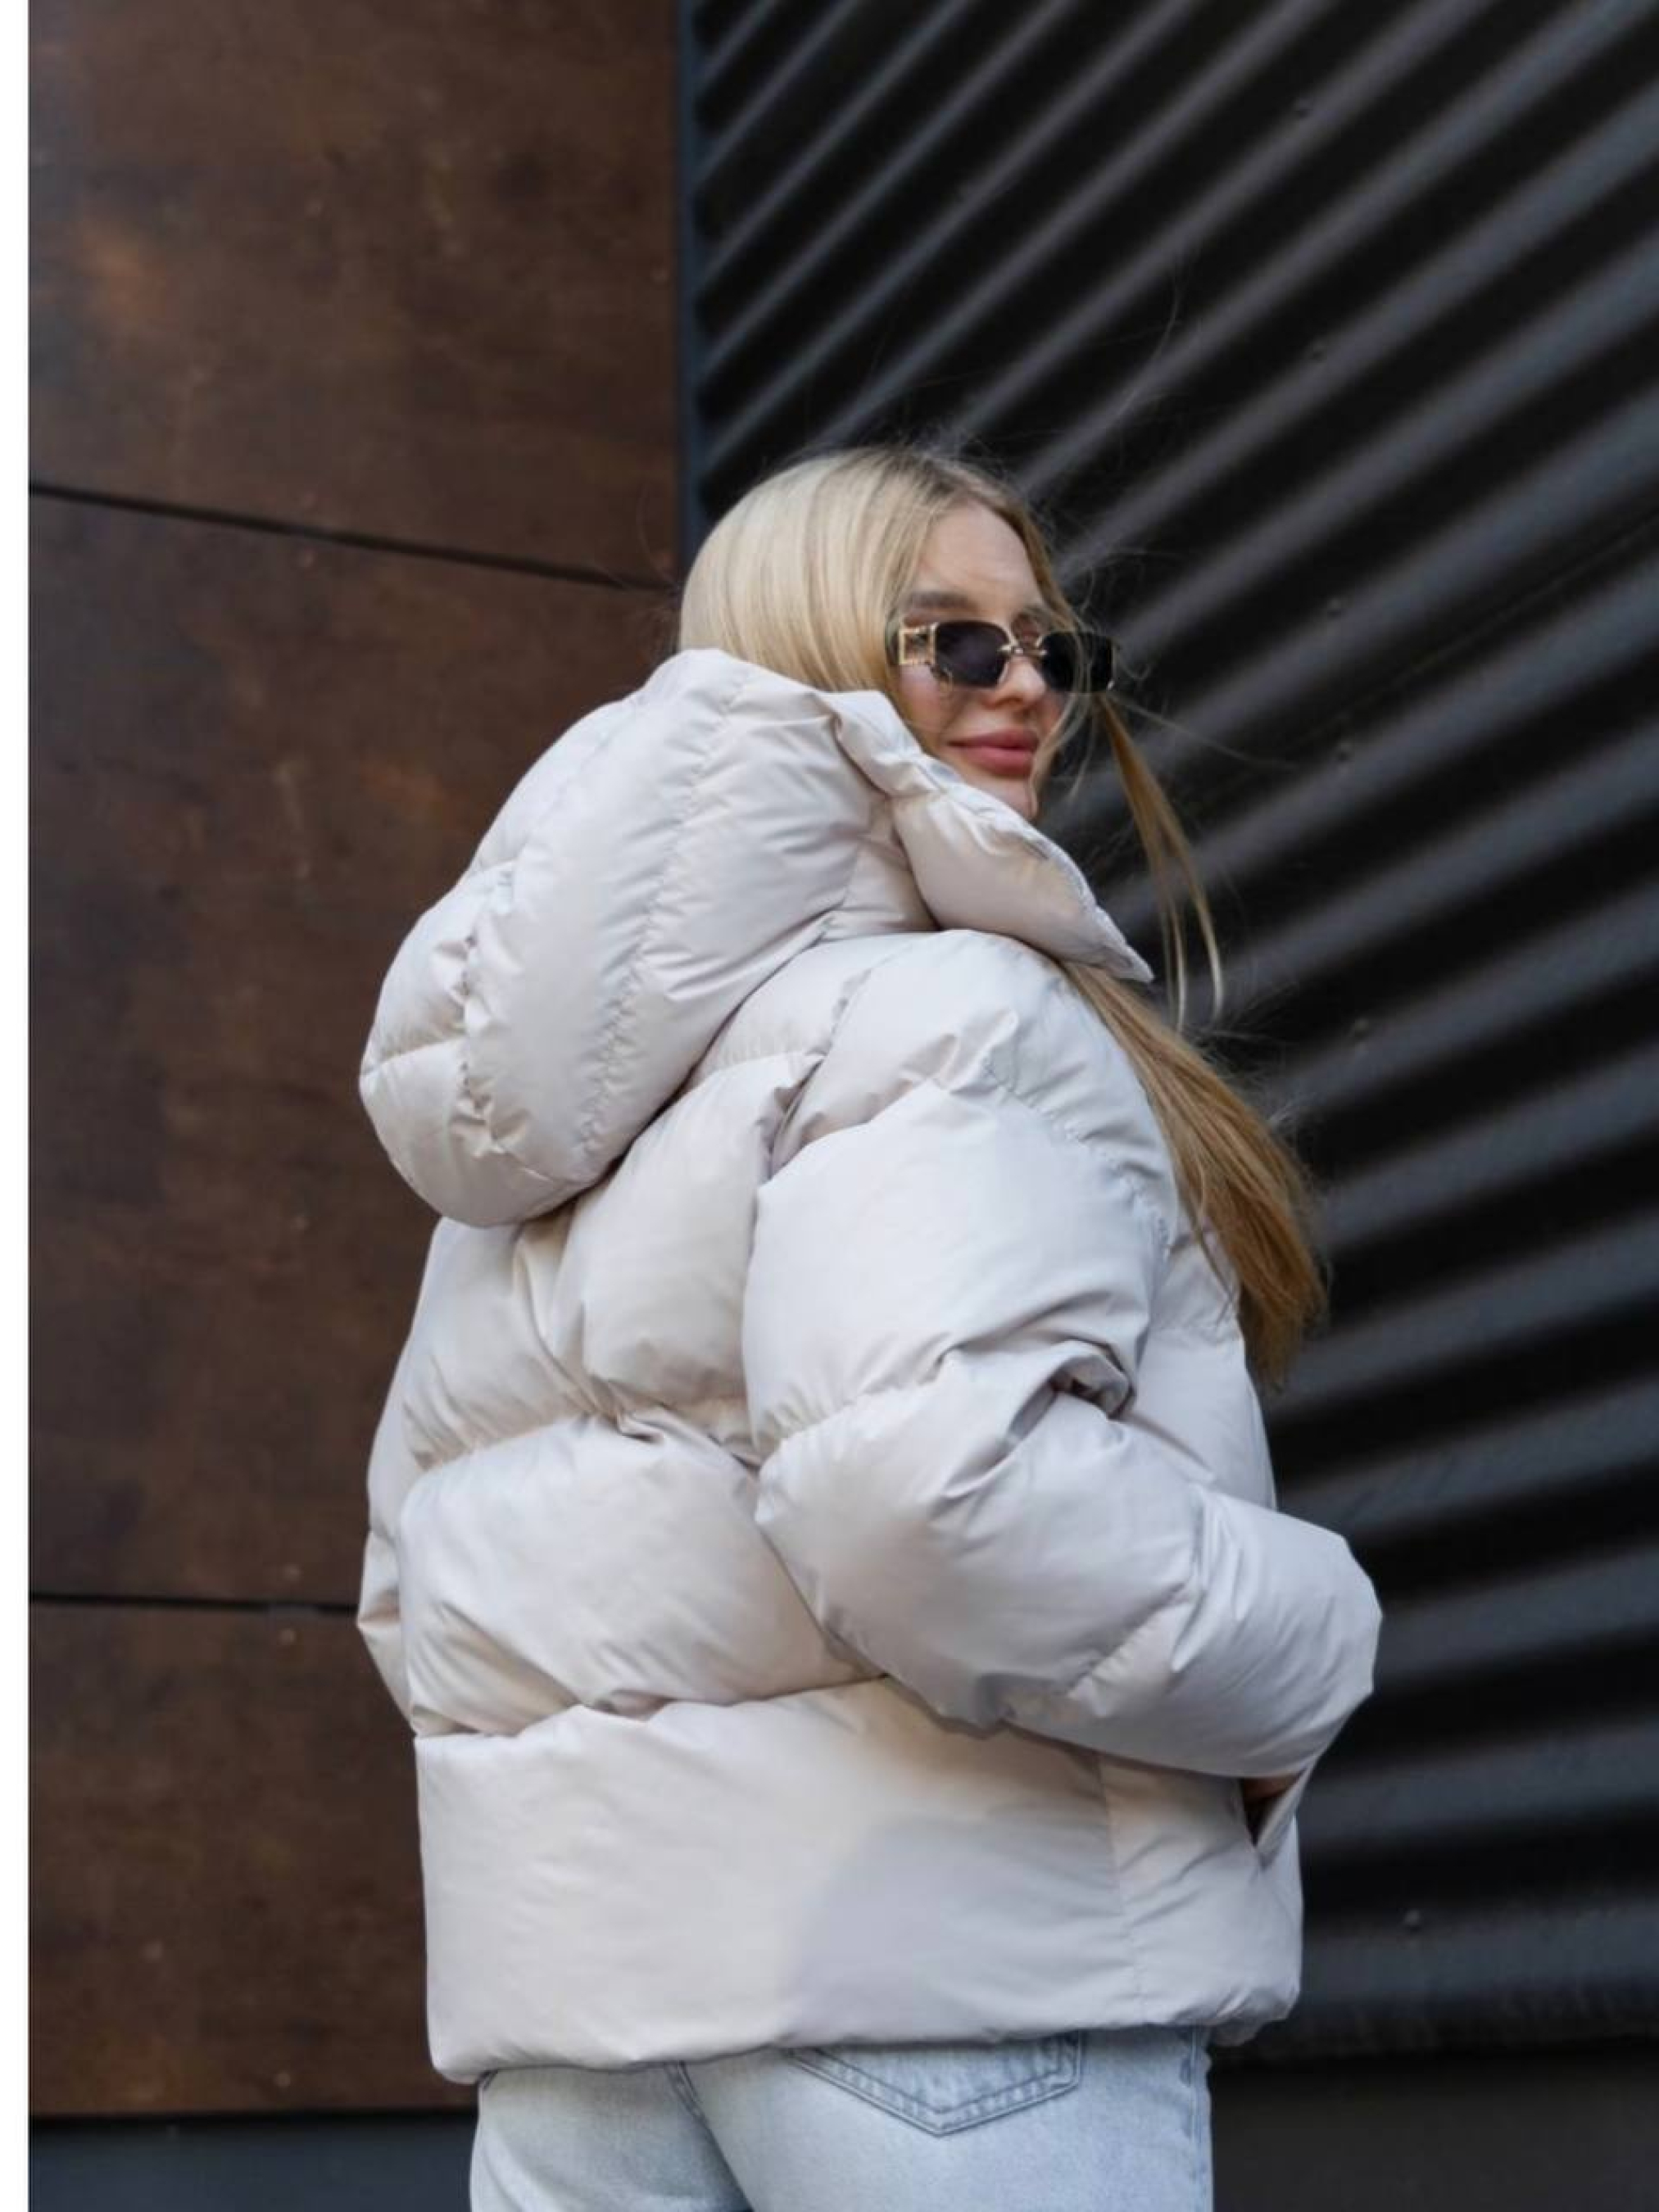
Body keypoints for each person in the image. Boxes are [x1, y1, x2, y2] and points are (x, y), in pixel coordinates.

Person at [355, 442, 1385, 2211]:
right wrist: (1306, 1644)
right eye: (951, 641)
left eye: (1051, 647)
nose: (1024, 689)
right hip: (952, 2002)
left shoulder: (542, 1152)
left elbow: (417, 1583)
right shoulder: (950, 1009)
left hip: (585, 2062)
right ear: (807, 651)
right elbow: (927, 1496)